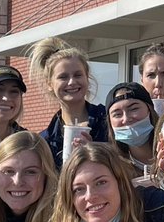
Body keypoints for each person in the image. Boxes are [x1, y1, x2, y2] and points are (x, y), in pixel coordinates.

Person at [29, 38, 109, 167]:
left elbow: (130, 165)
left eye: (78, 75)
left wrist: (96, 153)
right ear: (50, 84)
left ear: (87, 78)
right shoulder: (46, 140)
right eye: (63, 77)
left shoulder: (109, 120)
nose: (72, 82)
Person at [105, 81, 159, 177]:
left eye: (134, 109)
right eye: (117, 114)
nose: (126, 119)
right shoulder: (112, 167)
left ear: (150, 110)